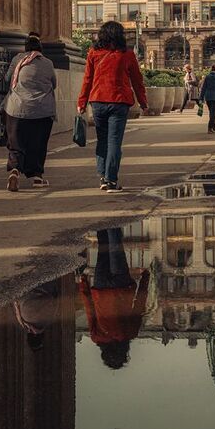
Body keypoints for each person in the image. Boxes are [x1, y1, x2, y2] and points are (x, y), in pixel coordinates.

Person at [77, 21, 148, 192]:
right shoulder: (127, 55)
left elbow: (87, 79)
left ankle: (103, 177)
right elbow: (137, 81)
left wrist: (82, 102)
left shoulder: (93, 53)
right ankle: (111, 180)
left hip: (98, 101)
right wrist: (143, 102)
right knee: (114, 142)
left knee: (102, 140)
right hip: (119, 102)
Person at [79, 228, 149, 370]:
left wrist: (145, 279)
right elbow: (89, 309)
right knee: (103, 249)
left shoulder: (130, 333)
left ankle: (113, 220)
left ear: (125, 352)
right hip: (101, 288)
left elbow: (139, 305)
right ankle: (102, 222)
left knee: (116, 246)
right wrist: (83, 284)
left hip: (121, 286)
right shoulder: (97, 337)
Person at [4, 34, 57, 192]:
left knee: (16, 143)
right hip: (42, 111)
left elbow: (8, 79)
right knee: (38, 144)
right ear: (41, 48)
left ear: (25, 47)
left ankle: (14, 171)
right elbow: (54, 84)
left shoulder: (17, 60)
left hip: (17, 109)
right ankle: (37, 178)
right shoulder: (48, 63)